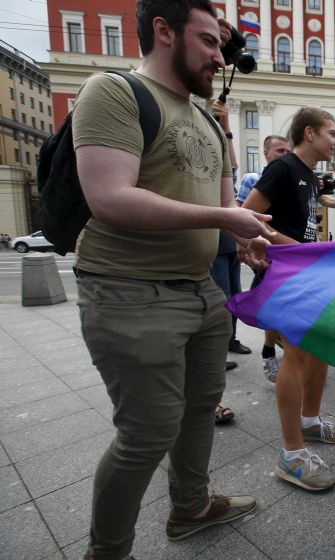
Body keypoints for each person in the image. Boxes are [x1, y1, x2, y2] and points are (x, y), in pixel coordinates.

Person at [72, 2, 272, 557]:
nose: (219, 55)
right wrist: (220, 220)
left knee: (198, 413)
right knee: (146, 436)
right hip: (129, 290)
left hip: (201, 292)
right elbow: (109, 197)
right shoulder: (113, 92)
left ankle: (190, 508)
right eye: (208, 41)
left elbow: (226, 202)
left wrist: (245, 237)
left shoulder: (207, 116)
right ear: (163, 31)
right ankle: (107, 551)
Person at [241, 107, 335, 491]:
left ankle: (310, 423)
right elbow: (248, 217)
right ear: (309, 133)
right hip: (285, 273)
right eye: (332, 132)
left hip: (306, 272)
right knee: (295, 355)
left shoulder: (310, 178)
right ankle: (291, 453)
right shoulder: (283, 169)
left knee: (320, 348)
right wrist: (297, 249)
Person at [236, 135, 291, 383]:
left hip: (286, 253)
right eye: (280, 150)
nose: (284, 155)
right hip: (266, 253)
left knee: (280, 308)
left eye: (287, 151)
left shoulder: (291, 179)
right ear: (266, 152)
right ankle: (270, 353)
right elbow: (239, 211)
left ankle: (278, 350)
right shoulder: (252, 180)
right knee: (271, 308)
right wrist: (243, 244)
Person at [210, 99, 249, 379]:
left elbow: (232, 167)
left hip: (229, 243)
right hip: (213, 243)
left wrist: (227, 129)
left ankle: (231, 340)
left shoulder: (225, 176)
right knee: (222, 298)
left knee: (234, 295)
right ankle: (217, 352)